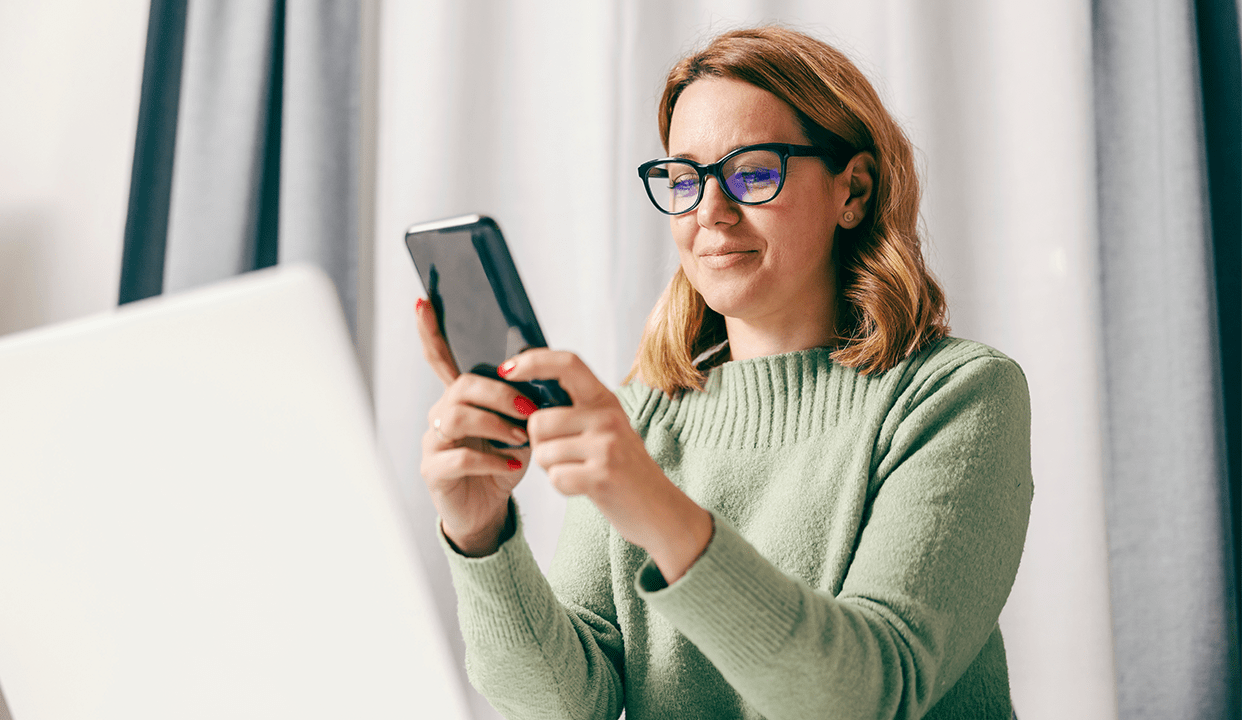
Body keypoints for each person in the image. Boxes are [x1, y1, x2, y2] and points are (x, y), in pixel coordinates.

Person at [414, 25, 1031, 720]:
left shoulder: (956, 396)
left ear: (851, 190)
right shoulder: (642, 416)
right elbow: (566, 705)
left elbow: (865, 696)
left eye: (754, 171)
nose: (710, 209)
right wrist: (482, 537)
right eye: (684, 178)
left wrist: (652, 504)